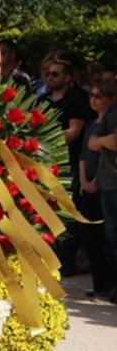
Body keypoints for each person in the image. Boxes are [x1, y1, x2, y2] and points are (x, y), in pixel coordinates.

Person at [36, 58, 96, 275]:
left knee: (66, 215)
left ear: (68, 78)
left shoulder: (77, 99)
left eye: (56, 74)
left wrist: (42, 141)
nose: (50, 78)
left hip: (67, 165)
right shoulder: (42, 98)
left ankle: (65, 262)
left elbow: (73, 132)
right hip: (43, 164)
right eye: (48, 74)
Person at [77, 79, 117, 301]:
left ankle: (109, 285)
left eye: (98, 96)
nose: (93, 100)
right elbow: (88, 148)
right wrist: (84, 181)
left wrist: (100, 141)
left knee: (109, 239)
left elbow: (111, 143)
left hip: (107, 184)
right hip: (95, 185)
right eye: (91, 95)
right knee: (94, 237)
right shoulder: (94, 122)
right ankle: (101, 284)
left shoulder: (112, 117)